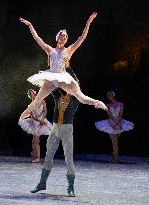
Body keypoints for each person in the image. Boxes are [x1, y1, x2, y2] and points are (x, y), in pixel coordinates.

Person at [19, 12, 107, 120]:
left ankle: (98, 102)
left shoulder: (69, 50)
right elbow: (37, 38)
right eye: (62, 35)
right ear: (58, 37)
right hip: (51, 77)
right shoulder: (50, 49)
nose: (64, 37)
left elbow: (82, 37)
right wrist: (30, 25)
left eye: (66, 36)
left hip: (63, 77)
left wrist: (88, 22)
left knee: (80, 96)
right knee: (37, 100)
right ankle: (23, 115)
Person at [30, 67, 80, 197]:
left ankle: (70, 187)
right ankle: (42, 183)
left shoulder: (75, 99)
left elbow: (76, 82)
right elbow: (51, 83)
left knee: (68, 159)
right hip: (55, 128)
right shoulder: (59, 96)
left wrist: (69, 68)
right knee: (48, 157)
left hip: (67, 129)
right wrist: (52, 68)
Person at [95, 91, 134, 163]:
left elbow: (120, 114)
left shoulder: (120, 104)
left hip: (119, 123)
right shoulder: (107, 105)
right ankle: (116, 159)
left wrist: (118, 123)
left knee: (116, 141)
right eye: (108, 95)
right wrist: (115, 123)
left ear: (114, 95)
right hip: (111, 124)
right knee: (114, 142)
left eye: (110, 95)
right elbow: (110, 115)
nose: (109, 96)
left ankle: (114, 154)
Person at [18, 89, 52, 163]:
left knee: (36, 140)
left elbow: (45, 111)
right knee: (34, 140)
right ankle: (34, 155)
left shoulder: (42, 101)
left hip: (41, 120)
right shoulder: (31, 104)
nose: (31, 95)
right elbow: (33, 116)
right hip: (35, 122)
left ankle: (38, 158)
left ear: (35, 93)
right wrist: (40, 121)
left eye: (31, 93)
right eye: (29, 94)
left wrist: (42, 120)